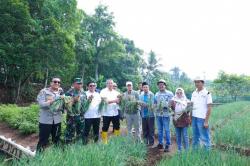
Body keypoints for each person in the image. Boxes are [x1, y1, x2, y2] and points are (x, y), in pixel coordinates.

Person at [36, 77, 64, 151]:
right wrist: (50, 102)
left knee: (57, 140)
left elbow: (63, 105)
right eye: (55, 82)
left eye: (58, 82)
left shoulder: (61, 92)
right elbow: (41, 104)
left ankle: (57, 156)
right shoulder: (44, 91)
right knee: (43, 141)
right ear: (51, 83)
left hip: (57, 120)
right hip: (46, 121)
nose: (57, 83)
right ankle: (39, 158)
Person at [191, 77, 213, 150]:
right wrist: (190, 118)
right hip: (194, 118)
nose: (196, 84)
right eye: (195, 82)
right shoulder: (194, 93)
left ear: (202, 83)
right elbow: (191, 106)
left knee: (205, 137)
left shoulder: (207, 93)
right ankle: (195, 153)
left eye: (198, 82)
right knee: (195, 136)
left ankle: (207, 154)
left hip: (202, 119)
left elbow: (209, 108)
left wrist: (206, 121)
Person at [64, 78, 87, 143]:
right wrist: (74, 100)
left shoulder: (83, 93)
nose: (80, 85)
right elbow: (66, 106)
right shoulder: (69, 93)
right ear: (74, 84)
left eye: (81, 84)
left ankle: (79, 146)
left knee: (81, 132)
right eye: (78, 83)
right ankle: (68, 147)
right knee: (70, 132)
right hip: (72, 117)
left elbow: (84, 104)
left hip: (81, 117)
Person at [154, 79, 174, 152]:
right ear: (158, 86)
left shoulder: (170, 93)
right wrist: (155, 106)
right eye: (159, 85)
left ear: (165, 85)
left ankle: (168, 144)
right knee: (159, 130)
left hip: (166, 115)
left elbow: (172, 103)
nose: (161, 86)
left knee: (167, 130)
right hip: (159, 114)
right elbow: (155, 103)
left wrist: (165, 105)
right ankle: (160, 143)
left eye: (162, 84)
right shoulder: (156, 94)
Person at [100, 79, 120, 144]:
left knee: (117, 126)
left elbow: (119, 101)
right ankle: (104, 141)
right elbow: (105, 101)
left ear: (113, 84)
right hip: (106, 113)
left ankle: (117, 140)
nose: (110, 84)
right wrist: (114, 101)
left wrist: (119, 101)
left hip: (115, 113)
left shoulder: (116, 92)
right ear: (106, 84)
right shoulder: (103, 91)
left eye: (111, 83)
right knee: (105, 127)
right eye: (108, 83)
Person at [171, 88, 190, 152]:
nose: (179, 94)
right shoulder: (173, 101)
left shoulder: (186, 101)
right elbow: (172, 110)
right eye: (177, 93)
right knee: (178, 135)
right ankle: (179, 149)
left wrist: (186, 110)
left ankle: (187, 150)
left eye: (180, 93)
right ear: (176, 93)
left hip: (184, 120)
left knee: (185, 135)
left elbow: (188, 111)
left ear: (183, 93)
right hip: (176, 120)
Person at [139, 82, 155, 146]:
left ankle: (151, 143)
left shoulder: (152, 94)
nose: (145, 88)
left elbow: (152, 104)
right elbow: (140, 103)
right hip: (143, 115)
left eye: (146, 87)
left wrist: (147, 105)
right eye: (144, 87)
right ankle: (145, 142)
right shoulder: (141, 95)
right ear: (142, 88)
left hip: (150, 115)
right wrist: (140, 104)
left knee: (151, 129)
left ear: (148, 87)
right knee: (144, 129)